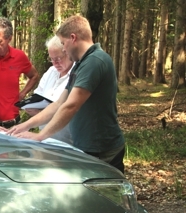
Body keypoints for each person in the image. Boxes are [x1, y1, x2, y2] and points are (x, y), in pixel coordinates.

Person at [8, 15, 126, 173]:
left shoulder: (95, 61)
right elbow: (58, 104)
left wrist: (40, 136)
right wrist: (24, 126)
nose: (63, 48)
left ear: (73, 38)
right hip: (85, 146)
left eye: (63, 43)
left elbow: (71, 105)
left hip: (101, 149)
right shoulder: (80, 65)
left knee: (105, 196)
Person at [21, 35, 74, 144]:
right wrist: (32, 108)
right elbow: (38, 95)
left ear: (67, 53)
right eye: (51, 59)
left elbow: (68, 108)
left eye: (58, 58)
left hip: (67, 139)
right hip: (45, 137)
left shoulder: (77, 74)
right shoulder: (51, 71)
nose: (55, 63)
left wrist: (42, 113)